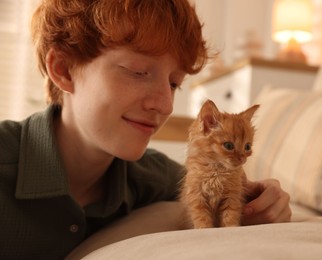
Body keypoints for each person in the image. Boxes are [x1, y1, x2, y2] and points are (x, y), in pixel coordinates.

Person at [0, 0, 291, 259]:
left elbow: (219, 189)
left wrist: (265, 199)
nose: (165, 105)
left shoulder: (156, 177)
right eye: (139, 72)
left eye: (174, 83)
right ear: (63, 69)